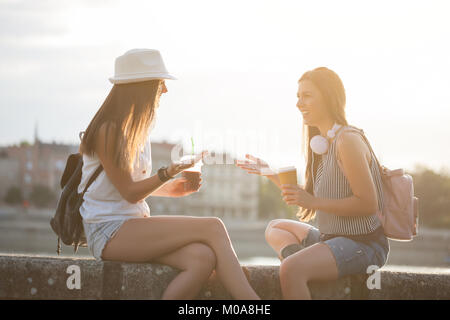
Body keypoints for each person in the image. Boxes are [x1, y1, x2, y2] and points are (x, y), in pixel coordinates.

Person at [78, 49, 260, 300]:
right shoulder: (109, 130)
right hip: (108, 231)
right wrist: (166, 173)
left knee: (202, 258)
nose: (165, 90)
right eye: (160, 83)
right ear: (142, 87)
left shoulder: (135, 130)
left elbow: (134, 185)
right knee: (213, 227)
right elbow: (130, 193)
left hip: (130, 225)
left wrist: (172, 186)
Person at [236, 67, 389, 299]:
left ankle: (304, 269)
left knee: (290, 269)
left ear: (328, 97)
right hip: (333, 239)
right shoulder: (322, 144)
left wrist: (313, 201)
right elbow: (305, 196)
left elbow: (368, 203)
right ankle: (311, 269)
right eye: (298, 96)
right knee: (275, 228)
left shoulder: (347, 140)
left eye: (307, 95)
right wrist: (268, 172)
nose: (299, 103)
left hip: (364, 245)